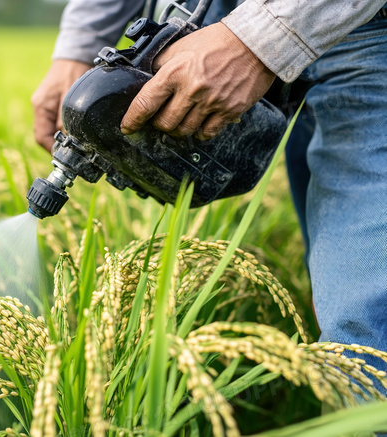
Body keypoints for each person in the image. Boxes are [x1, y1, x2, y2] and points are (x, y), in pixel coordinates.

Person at [32, 0, 387, 377]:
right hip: (217, 28)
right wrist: (78, 44)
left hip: (362, 27)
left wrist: (259, 39)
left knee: (363, 333)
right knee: (328, 291)